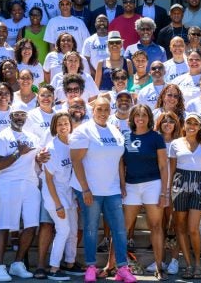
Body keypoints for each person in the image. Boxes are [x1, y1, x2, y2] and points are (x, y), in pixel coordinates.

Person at [69, 97, 138, 283]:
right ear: (93, 110)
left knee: (120, 229)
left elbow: (119, 160)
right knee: (91, 228)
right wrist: (85, 189)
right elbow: (76, 161)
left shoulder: (115, 130)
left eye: (106, 109)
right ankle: (91, 267)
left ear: (110, 111)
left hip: (112, 189)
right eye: (99, 109)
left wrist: (122, 184)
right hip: (90, 190)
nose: (103, 112)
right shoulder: (84, 131)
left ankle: (122, 268)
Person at [0, 101, 50, 281]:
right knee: (4, 225)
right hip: (9, 183)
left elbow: (37, 160)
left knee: (31, 225)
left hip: (31, 184)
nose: (19, 117)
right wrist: (17, 153)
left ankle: (17, 264)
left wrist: (40, 158)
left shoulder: (33, 137)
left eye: (22, 115)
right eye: (16, 114)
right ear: (10, 117)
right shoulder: (3, 136)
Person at [120, 104, 169, 281]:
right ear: (132, 118)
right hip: (131, 185)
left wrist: (164, 191)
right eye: (137, 115)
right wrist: (122, 184)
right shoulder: (125, 137)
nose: (140, 118)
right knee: (123, 228)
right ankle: (117, 265)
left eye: (144, 115)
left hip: (153, 185)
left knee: (156, 226)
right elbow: (121, 163)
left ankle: (158, 267)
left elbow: (164, 165)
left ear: (149, 118)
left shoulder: (156, 137)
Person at [168, 113, 201, 280]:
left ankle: (197, 264)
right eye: (189, 122)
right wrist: (167, 192)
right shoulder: (175, 143)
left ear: (200, 126)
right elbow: (172, 170)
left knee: (193, 228)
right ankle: (187, 265)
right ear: (184, 124)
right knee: (180, 227)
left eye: (195, 123)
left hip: (200, 185)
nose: (192, 125)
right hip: (179, 184)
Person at [41, 112, 78, 281]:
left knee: (73, 232)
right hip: (54, 196)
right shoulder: (51, 148)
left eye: (66, 123)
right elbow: (48, 180)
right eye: (60, 124)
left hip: (69, 194)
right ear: (55, 128)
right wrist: (58, 205)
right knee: (63, 230)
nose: (63, 127)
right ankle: (54, 268)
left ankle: (69, 263)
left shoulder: (73, 144)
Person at [153, 111, 183, 275]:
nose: (168, 123)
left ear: (176, 124)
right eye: (164, 120)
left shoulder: (180, 142)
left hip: (175, 189)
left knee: (175, 225)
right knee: (160, 226)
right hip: (156, 188)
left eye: (171, 121)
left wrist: (171, 189)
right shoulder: (154, 140)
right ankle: (161, 261)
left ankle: (174, 260)